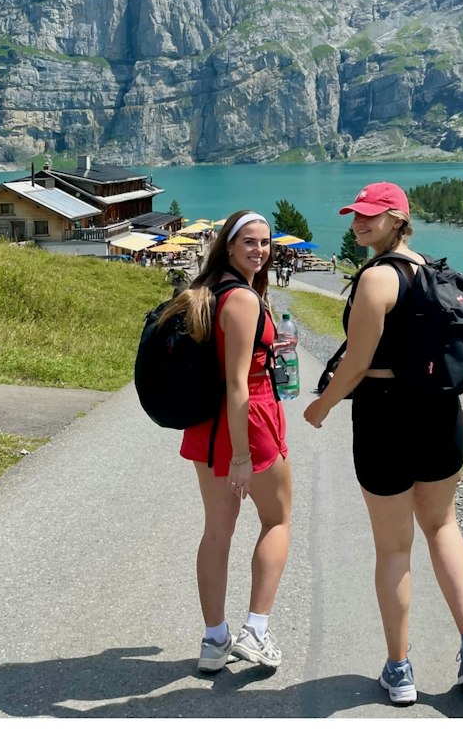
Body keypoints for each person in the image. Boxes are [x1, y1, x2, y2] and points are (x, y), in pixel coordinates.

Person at [302, 182, 463, 706]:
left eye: (370, 215)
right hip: (440, 412)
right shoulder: (445, 276)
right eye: (355, 215)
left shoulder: (378, 278)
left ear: (397, 218)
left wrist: (320, 407)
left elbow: (358, 362)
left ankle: (399, 669)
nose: (359, 223)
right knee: (443, 525)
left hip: (386, 414)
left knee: (393, 547)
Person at [165, 209, 291, 674]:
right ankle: (255, 632)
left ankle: (214, 640)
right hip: (247, 421)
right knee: (277, 520)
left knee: (217, 529)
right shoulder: (243, 299)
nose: (260, 250)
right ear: (230, 246)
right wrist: (242, 456)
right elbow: (239, 384)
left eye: (266, 243)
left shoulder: (205, 290)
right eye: (251, 242)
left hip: (206, 423)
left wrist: (265, 349)